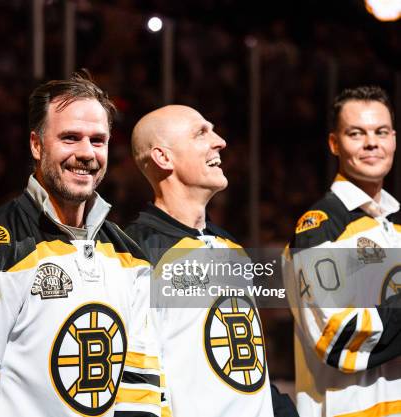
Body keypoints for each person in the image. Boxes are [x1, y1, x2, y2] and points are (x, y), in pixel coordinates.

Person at [0, 71, 161, 417]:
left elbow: (141, 388)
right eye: (70, 138)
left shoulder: (129, 258)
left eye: (98, 140)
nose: (87, 153)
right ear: (36, 144)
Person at [125, 105, 297, 417]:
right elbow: (134, 389)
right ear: (164, 158)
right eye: (201, 133)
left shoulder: (231, 248)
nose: (220, 141)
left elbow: (249, 370)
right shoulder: (133, 254)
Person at [284, 86, 401, 417]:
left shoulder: (396, 224)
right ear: (334, 143)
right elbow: (338, 335)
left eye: (381, 132)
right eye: (356, 133)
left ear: (393, 138)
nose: (371, 143)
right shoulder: (320, 228)